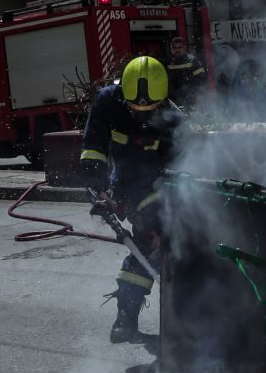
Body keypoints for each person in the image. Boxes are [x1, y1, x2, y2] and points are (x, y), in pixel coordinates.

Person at [80, 56, 185, 343]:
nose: (140, 115)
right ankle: (126, 315)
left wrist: (151, 217)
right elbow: (93, 147)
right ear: (123, 94)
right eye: (134, 108)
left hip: (156, 184)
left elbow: (175, 174)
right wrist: (97, 188)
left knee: (152, 244)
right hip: (123, 180)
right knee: (145, 247)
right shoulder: (107, 101)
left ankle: (177, 318)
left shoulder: (175, 121)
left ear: (162, 99)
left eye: (148, 109)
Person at [166, 36, 207, 110]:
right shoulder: (168, 62)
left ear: (184, 47)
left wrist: (200, 95)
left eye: (179, 47)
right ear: (172, 49)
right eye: (175, 48)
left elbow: (201, 79)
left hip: (190, 97)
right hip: (174, 99)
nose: (177, 49)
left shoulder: (192, 61)